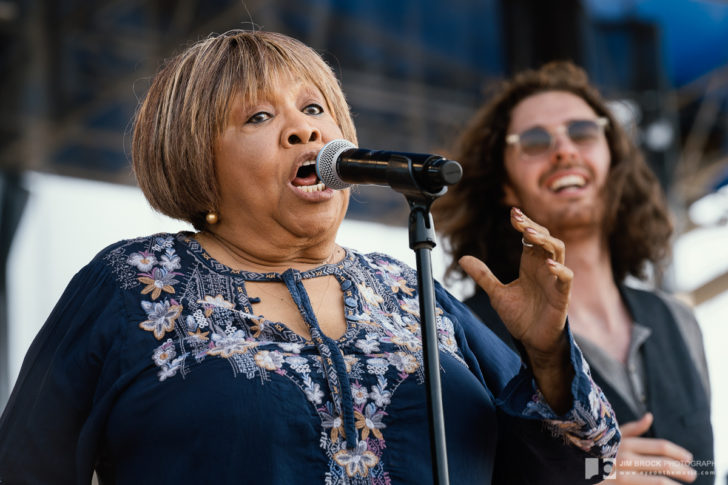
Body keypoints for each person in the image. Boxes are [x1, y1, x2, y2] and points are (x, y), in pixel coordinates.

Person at [0, 32, 619, 484]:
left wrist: (547, 358)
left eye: (314, 108)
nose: (303, 131)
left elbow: (588, 469)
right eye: (259, 116)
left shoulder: (411, 292)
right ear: (193, 156)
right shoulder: (129, 287)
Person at [434, 61, 714, 484]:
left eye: (582, 132)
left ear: (611, 157)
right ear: (505, 183)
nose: (564, 149)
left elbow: (705, 467)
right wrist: (590, 471)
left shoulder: (679, 321)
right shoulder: (466, 334)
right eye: (534, 140)